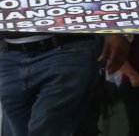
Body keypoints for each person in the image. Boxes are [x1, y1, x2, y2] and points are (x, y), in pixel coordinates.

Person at [0, 29, 128, 136]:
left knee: (47, 126)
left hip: (68, 43)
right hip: (10, 51)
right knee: (17, 128)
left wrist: (116, 31)